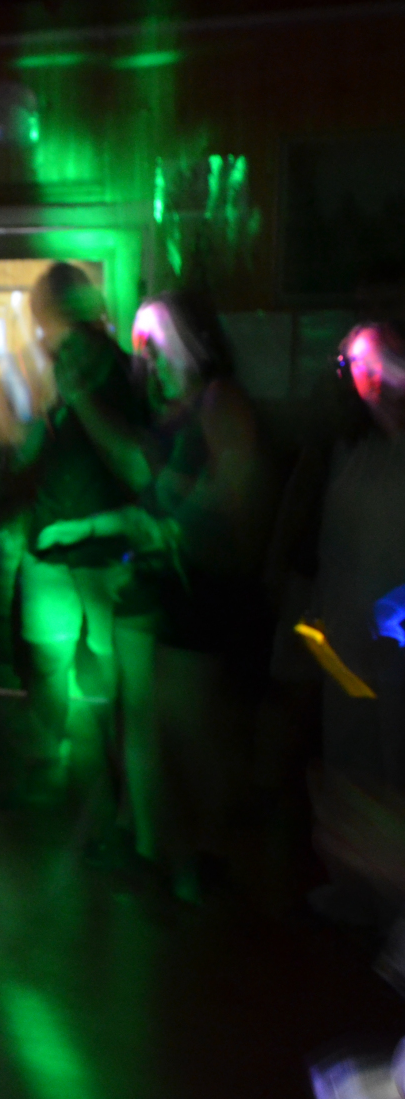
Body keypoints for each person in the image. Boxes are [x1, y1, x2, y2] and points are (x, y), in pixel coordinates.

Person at [38, 291, 272, 899]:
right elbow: (148, 482)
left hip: (210, 591)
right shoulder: (176, 412)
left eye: (160, 344)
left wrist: (162, 535)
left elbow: (233, 502)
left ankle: (202, 860)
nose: (149, 357)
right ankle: (174, 856)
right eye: (143, 346)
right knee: (163, 728)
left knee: (192, 735)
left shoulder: (220, 401)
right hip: (181, 586)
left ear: (196, 342)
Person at [273, 319, 405, 926]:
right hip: (348, 637)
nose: (370, 380)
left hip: (393, 645)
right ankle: (355, 894)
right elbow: (338, 543)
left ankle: (393, 910)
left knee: (395, 763)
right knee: (350, 756)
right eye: (358, 367)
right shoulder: (355, 450)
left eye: (381, 365)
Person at [6, 262, 146, 808]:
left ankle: (122, 787)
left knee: (112, 669)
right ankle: (55, 771)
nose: (44, 328)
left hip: (102, 544)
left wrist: (77, 398)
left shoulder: (125, 372)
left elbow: (136, 463)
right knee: (50, 659)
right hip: (52, 541)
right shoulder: (57, 367)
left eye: (45, 314)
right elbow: (39, 448)